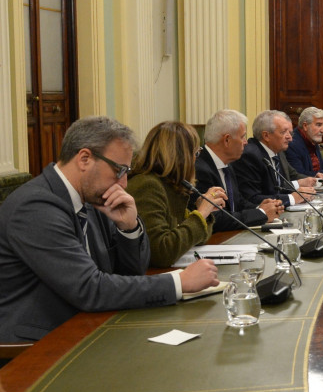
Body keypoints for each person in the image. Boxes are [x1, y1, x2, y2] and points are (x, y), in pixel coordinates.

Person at [0, 116, 218, 343]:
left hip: (88, 325)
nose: (123, 184)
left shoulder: (93, 198)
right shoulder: (35, 207)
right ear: (84, 158)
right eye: (119, 170)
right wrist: (179, 282)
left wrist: (129, 227)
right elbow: (88, 288)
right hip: (38, 344)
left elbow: (132, 272)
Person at [127, 121, 228, 267]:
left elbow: (199, 238)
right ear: (182, 156)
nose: (195, 159)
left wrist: (201, 213)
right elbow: (162, 252)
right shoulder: (148, 185)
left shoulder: (168, 183)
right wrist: (200, 213)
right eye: (196, 153)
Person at [195, 109, 284, 232]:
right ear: (227, 140)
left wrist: (261, 206)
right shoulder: (200, 169)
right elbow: (216, 219)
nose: (246, 142)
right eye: (242, 137)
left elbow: (238, 203)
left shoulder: (227, 164)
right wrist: (261, 213)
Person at [233, 110, 318, 206]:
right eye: (283, 132)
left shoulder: (278, 151)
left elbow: (279, 186)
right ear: (266, 136)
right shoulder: (249, 156)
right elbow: (252, 198)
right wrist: (292, 198)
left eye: (290, 133)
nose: (290, 138)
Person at [285, 107, 323, 179]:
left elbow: (322, 165)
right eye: (319, 125)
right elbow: (299, 175)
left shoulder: (311, 138)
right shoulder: (291, 143)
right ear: (305, 126)